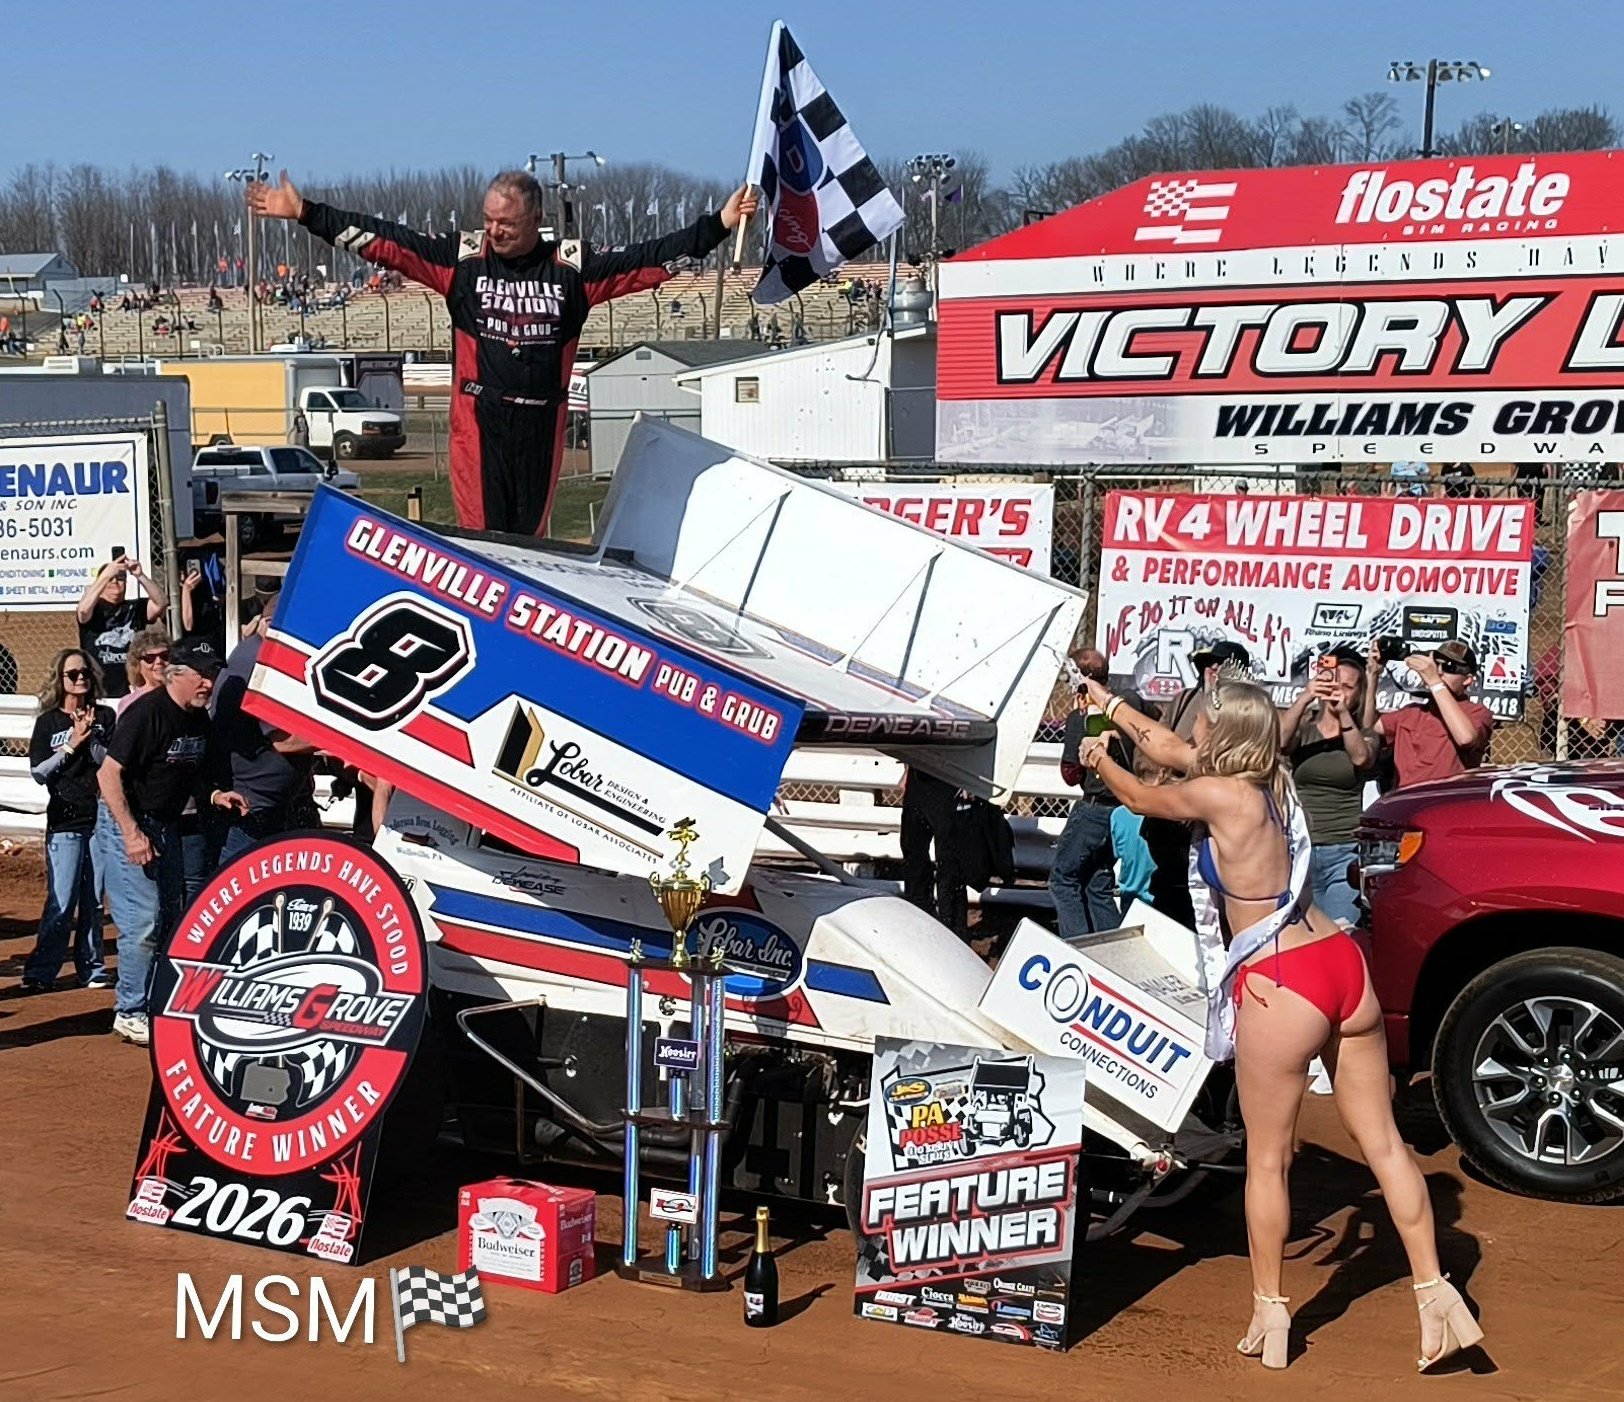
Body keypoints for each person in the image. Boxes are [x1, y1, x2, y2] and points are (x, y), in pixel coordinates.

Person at [1077, 673, 1483, 1372]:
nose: (1194, 726)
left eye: (1204, 717)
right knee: (1384, 1144)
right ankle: (1437, 1293)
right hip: (1339, 963)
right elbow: (1168, 747)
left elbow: (1142, 795)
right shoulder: (1274, 781)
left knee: (1269, 1160)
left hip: (1281, 981)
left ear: (1222, 730)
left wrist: (1099, 759)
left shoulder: (1218, 794)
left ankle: (1271, 1313)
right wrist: (1108, 704)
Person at [247, 169, 759, 536]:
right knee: (482, 541)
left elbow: (649, 260)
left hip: (541, 423)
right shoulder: (462, 260)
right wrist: (308, 213)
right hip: (479, 419)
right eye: (488, 220)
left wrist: (719, 223)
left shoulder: (571, 268)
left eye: (507, 224)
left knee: (527, 542)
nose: (494, 231)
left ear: (536, 219)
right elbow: (386, 241)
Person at [98, 640, 246, 1046]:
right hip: (128, 820)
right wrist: (131, 833)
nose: (209, 683)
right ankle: (130, 1011)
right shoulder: (147, 713)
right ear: (175, 674)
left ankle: (154, 1003)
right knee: (142, 921)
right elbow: (108, 775)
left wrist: (214, 795)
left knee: (169, 917)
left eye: (212, 675)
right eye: (202, 674)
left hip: (165, 822)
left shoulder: (197, 719)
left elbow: (189, 773)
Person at [21, 651, 116, 992]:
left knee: (93, 900)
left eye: (85, 672)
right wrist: (72, 744)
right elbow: (39, 773)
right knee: (62, 900)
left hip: (99, 817)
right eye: (73, 674)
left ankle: (91, 968)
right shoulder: (48, 722)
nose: (81, 679)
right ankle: (41, 971)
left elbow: (112, 764)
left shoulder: (105, 716)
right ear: (59, 680)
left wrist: (90, 740)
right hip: (64, 820)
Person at [1142, 639, 1251, 929]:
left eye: (1222, 664)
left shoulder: (1243, 713)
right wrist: (1157, 779)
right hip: (1170, 819)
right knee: (1168, 895)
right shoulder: (1185, 699)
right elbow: (1158, 747)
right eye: (1209, 663)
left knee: (1204, 905)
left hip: (1208, 823)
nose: (1213, 669)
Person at [209, 589, 318, 862]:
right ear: (270, 623)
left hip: (277, 804)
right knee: (244, 880)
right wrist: (344, 741)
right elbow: (283, 741)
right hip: (250, 808)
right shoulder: (258, 663)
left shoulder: (267, 657)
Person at [1278, 647, 1375, 927]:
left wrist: (1343, 713)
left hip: (1343, 851)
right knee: (1300, 934)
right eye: (1335, 683)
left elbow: (1361, 757)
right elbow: (1280, 741)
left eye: (1348, 687)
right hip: (1301, 848)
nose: (1339, 691)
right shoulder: (1306, 730)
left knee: (1340, 930)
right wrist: (1306, 695)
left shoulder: (1365, 734)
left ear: (1358, 694)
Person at [1050, 648, 1138, 936]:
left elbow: (1070, 774)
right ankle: (1110, 947)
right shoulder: (1127, 709)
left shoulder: (1082, 717)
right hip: (1123, 809)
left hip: (1094, 808)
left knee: (1063, 880)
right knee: (1097, 883)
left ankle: (1075, 947)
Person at [1363, 640, 1494, 790]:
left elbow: (1466, 738)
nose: (1439, 672)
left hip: (1444, 799)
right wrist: (1372, 675)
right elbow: (1369, 725)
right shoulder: (1412, 712)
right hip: (1404, 798)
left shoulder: (1476, 712)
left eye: (1449, 667)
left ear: (1468, 680)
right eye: (1436, 665)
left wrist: (1434, 682)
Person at [76, 555, 167, 700]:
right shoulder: (93, 609)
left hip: (130, 689)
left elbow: (160, 603)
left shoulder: (135, 607)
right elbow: (82, 611)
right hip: (98, 690)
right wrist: (106, 575)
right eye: (110, 579)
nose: (115, 582)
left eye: (120, 578)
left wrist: (140, 575)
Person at [899, 767, 972, 941]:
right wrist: (907, 770)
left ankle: (954, 934)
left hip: (951, 778)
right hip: (919, 778)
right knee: (914, 856)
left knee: (949, 865)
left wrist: (969, 782)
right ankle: (918, 927)